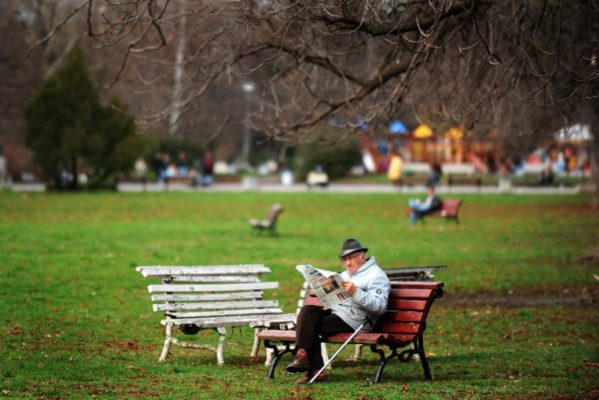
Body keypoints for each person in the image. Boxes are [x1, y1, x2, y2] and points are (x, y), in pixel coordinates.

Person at [286, 238, 391, 384]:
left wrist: (356, 292)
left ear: (363, 256)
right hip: (338, 313)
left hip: (357, 320)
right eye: (345, 260)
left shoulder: (376, 276)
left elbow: (379, 307)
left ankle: (313, 367)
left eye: (352, 258)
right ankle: (302, 355)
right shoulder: (346, 274)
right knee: (307, 310)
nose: (348, 263)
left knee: (309, 327)